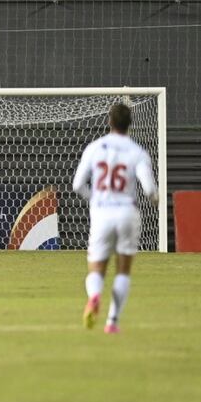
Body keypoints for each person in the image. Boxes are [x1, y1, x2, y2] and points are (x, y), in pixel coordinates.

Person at [73, 103, 158, 334]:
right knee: (123, 270)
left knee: (96, 270)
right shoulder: (137, 152)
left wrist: (95, 199)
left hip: (102, 213)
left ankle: (95, 296)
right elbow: (149, 188)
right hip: (127, 213)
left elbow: (77, 184)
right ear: (130, 124)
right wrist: (155, 198)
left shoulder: (94, 148)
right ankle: (112, 321)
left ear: (109, 122)